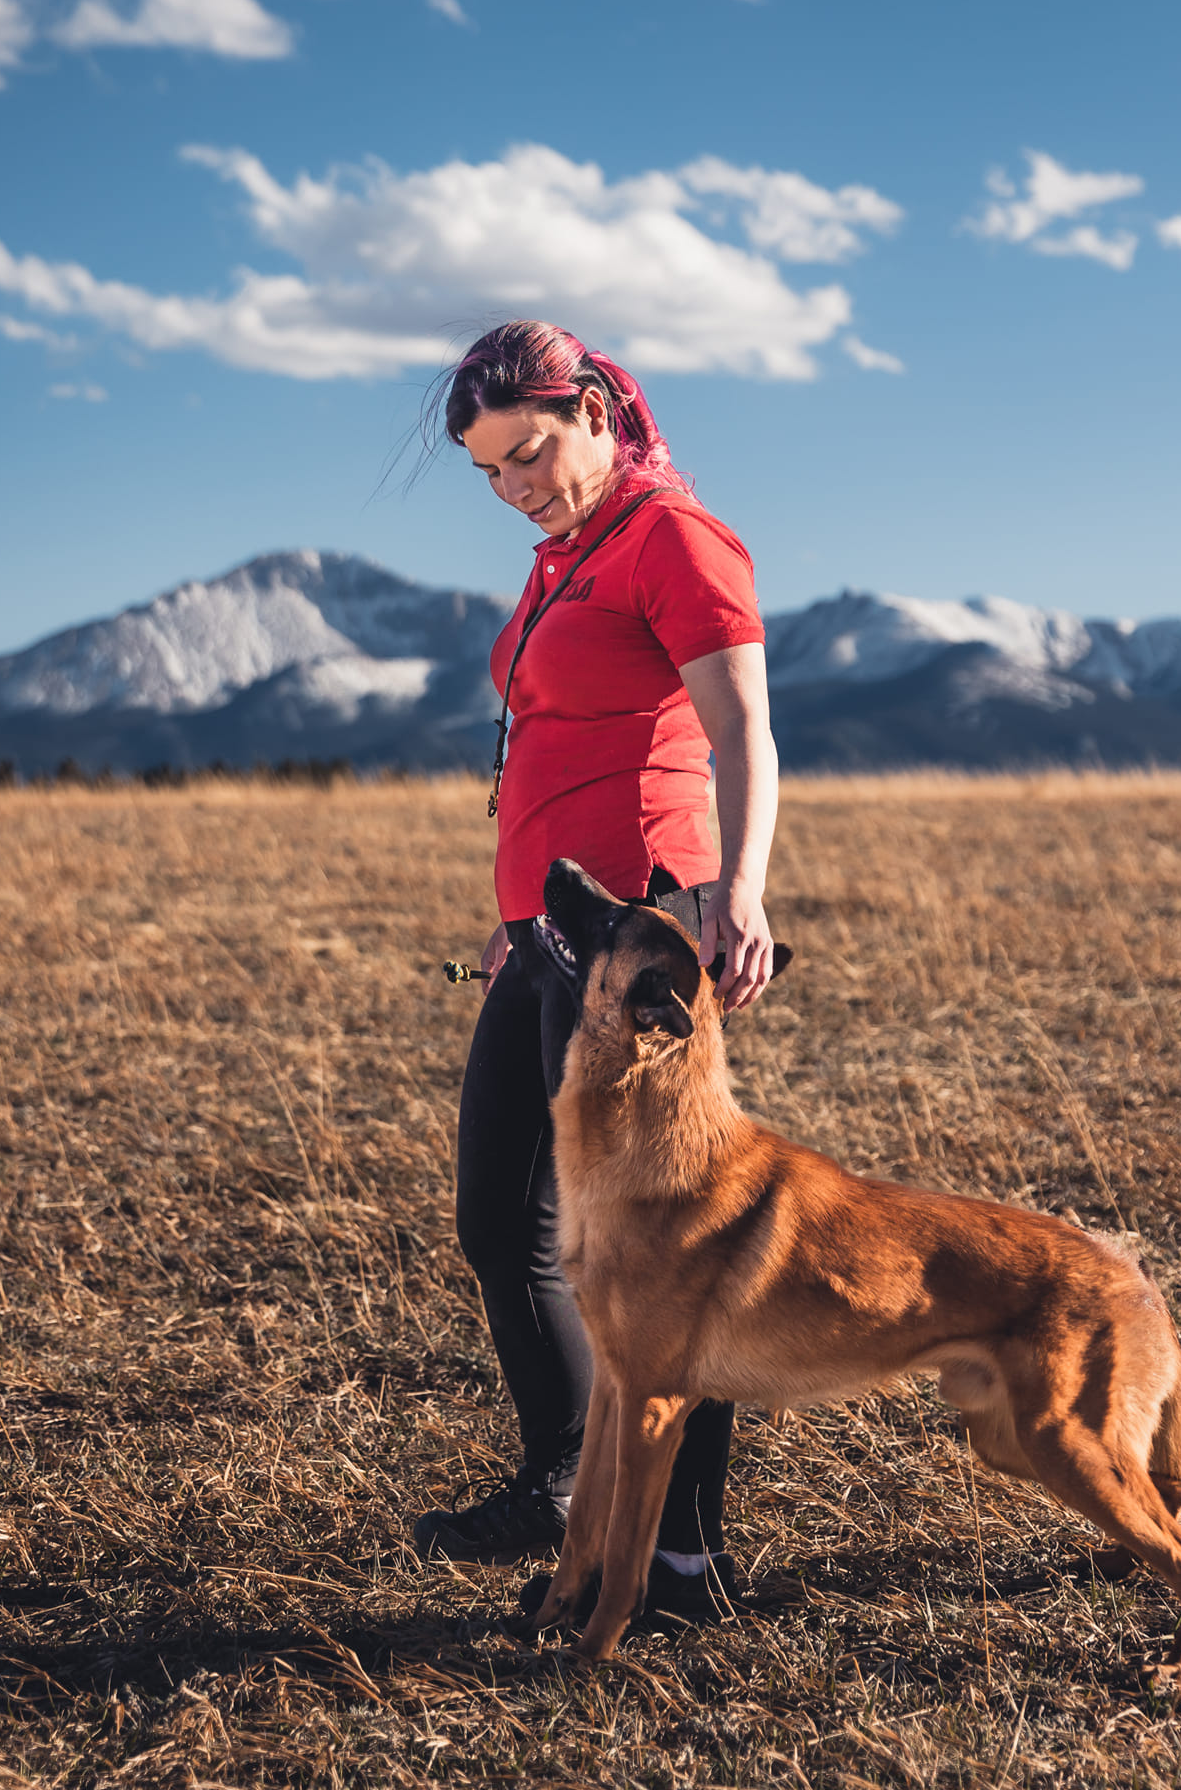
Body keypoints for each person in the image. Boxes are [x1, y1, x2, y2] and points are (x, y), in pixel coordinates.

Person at [413, 321, 780, 1623]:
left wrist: (737, 890)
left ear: (599, 411)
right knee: (503, 1225)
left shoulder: (673, 537)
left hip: (640, 935)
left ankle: (681, 1565)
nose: (517, 484)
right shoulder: (563, 561)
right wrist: (513, 918)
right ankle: (572, 1483)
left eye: (531, 451)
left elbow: (742, 727)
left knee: (661, 1255)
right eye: (491, 471)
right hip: (551, 936)